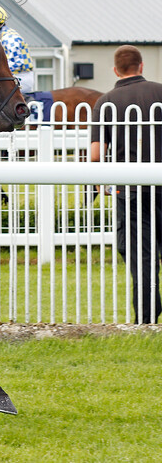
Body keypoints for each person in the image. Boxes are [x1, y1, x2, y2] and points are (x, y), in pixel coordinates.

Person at [90, 45, 162, 324]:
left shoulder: (107, 102)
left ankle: (146, 318)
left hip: (129, 190)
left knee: (139, 254)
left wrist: (98, 183)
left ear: (115, 70)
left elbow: (96, 154)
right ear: (141, 66)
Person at [0, 6, 35, 94]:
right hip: (16, 76)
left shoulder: (9, 38)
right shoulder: (1, 35)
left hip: (21, 76)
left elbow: (17, 63)